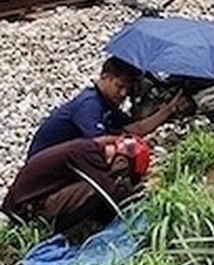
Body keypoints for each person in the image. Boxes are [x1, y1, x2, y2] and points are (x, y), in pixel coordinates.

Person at [27, 56, 186, 157]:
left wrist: (169, 109)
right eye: (119, 86)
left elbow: (136, 128)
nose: (124, 93)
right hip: (45, 167)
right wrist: (133, 143)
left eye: (127, 89)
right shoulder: (89, 104)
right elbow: (100, 144)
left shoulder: (106, 103)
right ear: (104, 77)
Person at [3, 135, 150, 239]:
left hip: (30, 203)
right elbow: (109, 193)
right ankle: (63, 232)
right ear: (122, 163)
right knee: (94, 190)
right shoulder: (89, 154)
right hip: (26, 211)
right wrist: (140, 193)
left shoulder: (88, 150)